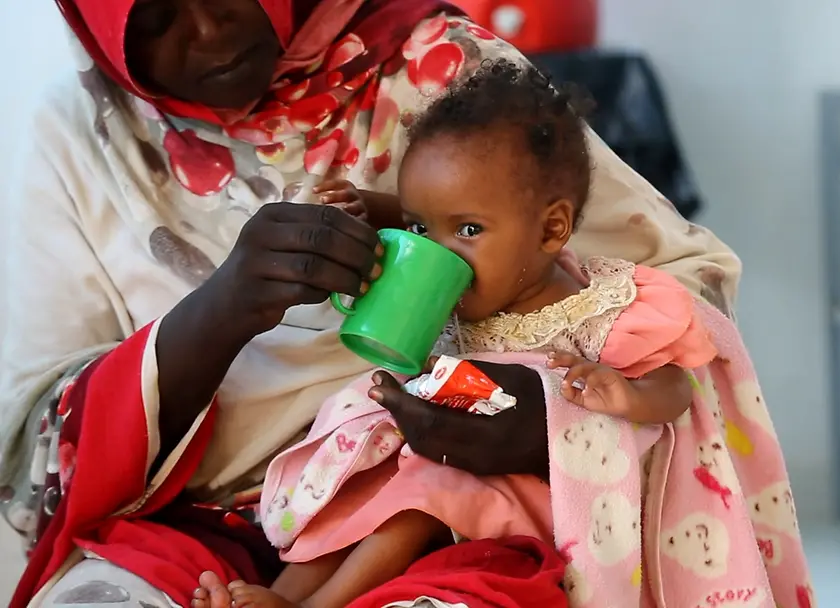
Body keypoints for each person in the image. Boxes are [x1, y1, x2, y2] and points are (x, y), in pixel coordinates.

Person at [0, 0, 766, 606]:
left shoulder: (447, 73)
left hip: (468, 518)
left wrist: (555, 427)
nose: (208, 26)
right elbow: (31, 462)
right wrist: (222, 310)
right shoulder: (84, 137)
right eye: (157, 16)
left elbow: (685, 295)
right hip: (197, 534)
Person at [193, 59, 717, 608]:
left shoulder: (596, 305)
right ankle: (277, 595)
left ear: (551, 228)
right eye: (421, 228)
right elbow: (436, 214)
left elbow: (677, 387)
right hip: (446, 469)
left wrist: (626, 392)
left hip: (530, 495)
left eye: (467, 230)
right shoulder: (474, 277)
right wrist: (368, 210)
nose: (437, 250)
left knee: (419, 496)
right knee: (370, 488)